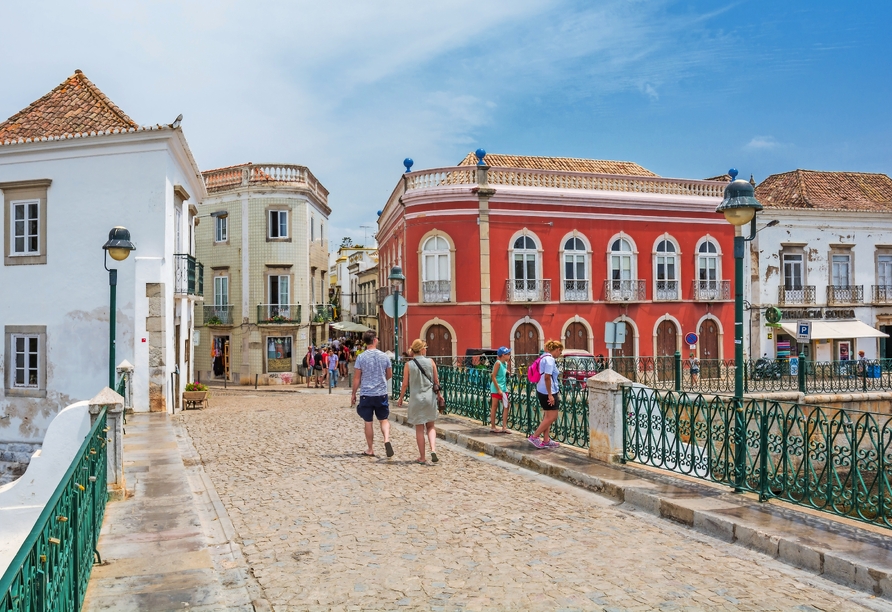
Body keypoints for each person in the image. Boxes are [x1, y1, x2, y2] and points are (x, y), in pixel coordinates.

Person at [351, 330, 394, 457]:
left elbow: (357, 378)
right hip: (381, 393)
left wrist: (353, 393)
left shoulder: (361, 357)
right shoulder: (384, 356)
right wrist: (381, 380)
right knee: (384, 420)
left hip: (366, 394)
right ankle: (386, 439)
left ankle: (370, 449)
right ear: (375, 340)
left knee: (368, 422)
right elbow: (389, 374)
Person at [397, 339, 440, 464]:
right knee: (431, 426)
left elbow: (405, 384)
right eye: (425, 347)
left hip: (416, 399)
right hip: (430, 398)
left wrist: (401, 398)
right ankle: (433, 449)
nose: (426, 349)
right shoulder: (431, 362)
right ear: (422, 350)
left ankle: (422, 457)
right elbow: (436, 382)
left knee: (419, 429)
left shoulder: (408, 365)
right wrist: (440, 395)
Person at [529, 339, 564, 448]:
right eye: (560, 352)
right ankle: (534, 436)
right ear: (557, 349)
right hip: (548, 391)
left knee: (547, 416)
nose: (560, 354)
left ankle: (546, 439)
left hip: (541, 389)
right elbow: (547, 377)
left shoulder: (543, 357)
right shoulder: (550, 359)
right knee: (552, 416)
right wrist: (550, 395)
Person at [489, 346, 511, 433]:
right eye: (508, 354)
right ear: (503, 355)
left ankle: (504, 427)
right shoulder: (498, 363)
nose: (509, 355)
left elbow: (502, 371)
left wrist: (507, 372)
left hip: (504, 387)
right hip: (496, 388)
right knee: (494, 406)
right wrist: (498, 389)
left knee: (506, 405)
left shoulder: (505, 363)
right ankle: (493, 426)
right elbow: (493, 376)